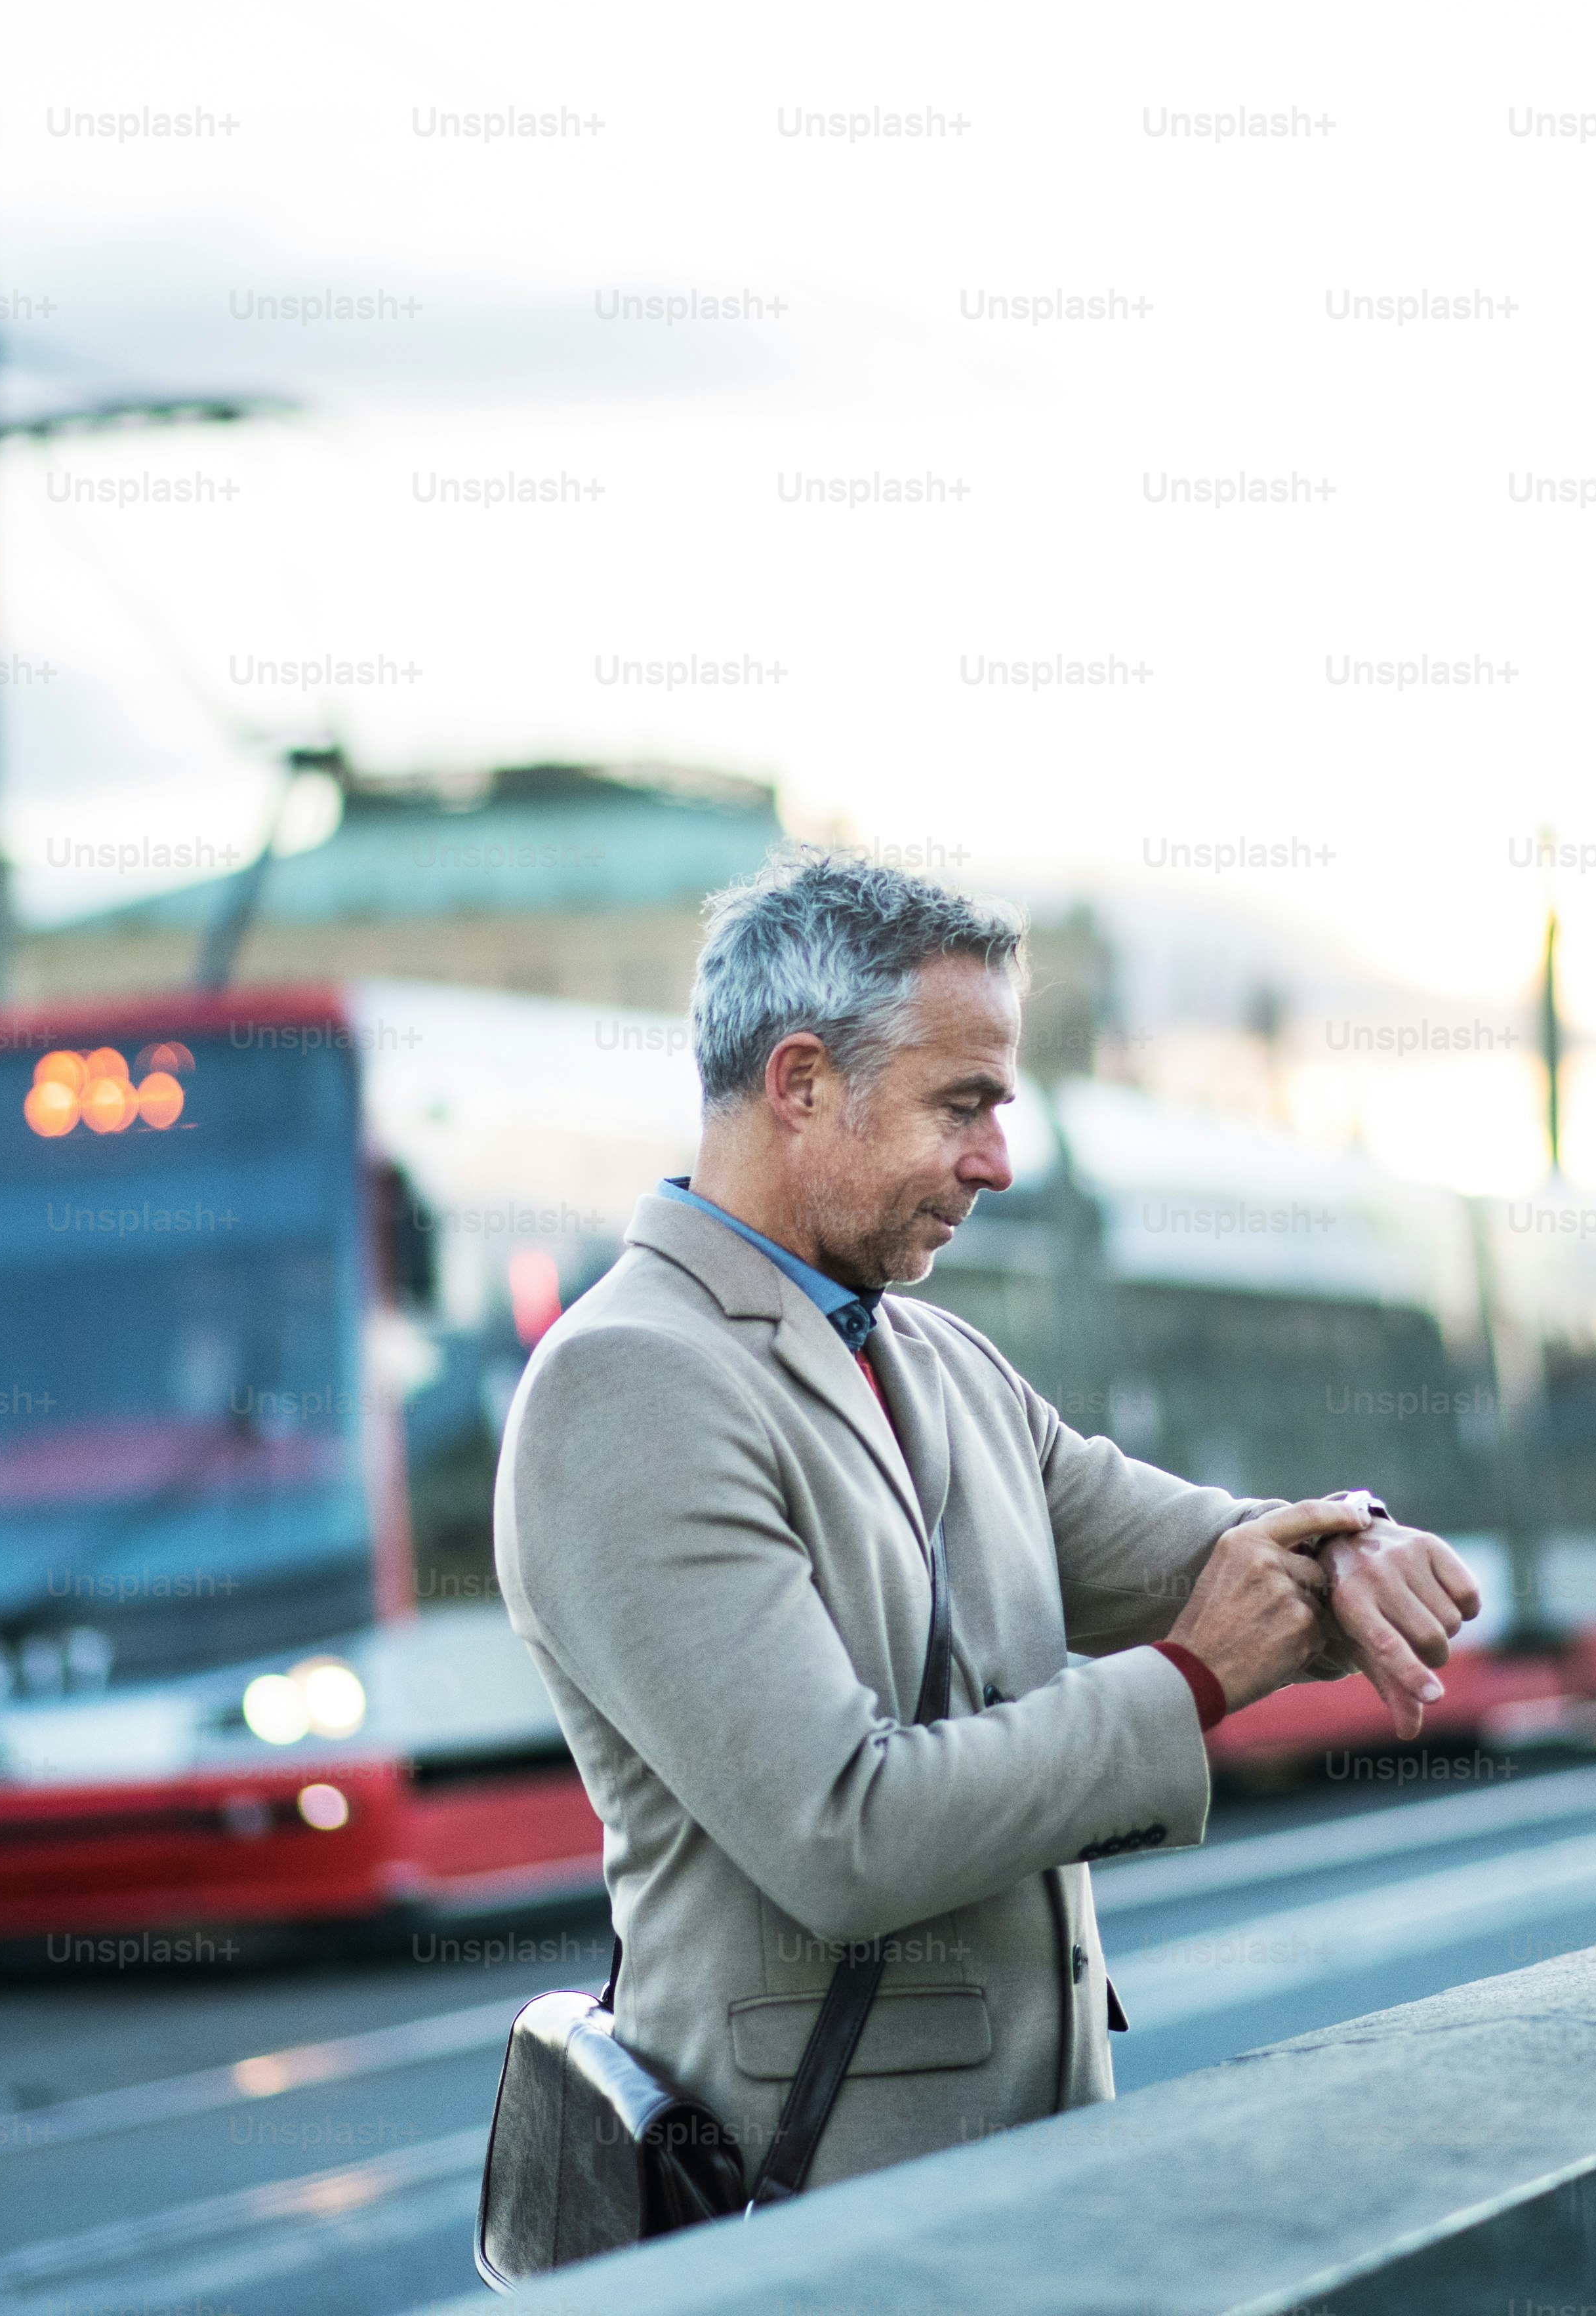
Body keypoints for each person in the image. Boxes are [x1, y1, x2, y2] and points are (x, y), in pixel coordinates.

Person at [495, 849, 1483, 2195]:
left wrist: (1348, 1539)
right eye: (961, 1104)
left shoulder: (939, 1358)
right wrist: (1191, 1679)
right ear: (801, 1083)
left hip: (1027, 2181)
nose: (998, 1160)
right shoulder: (627, 1385)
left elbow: (1188, 1544)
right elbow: (845, 1834)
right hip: (815, 2224)